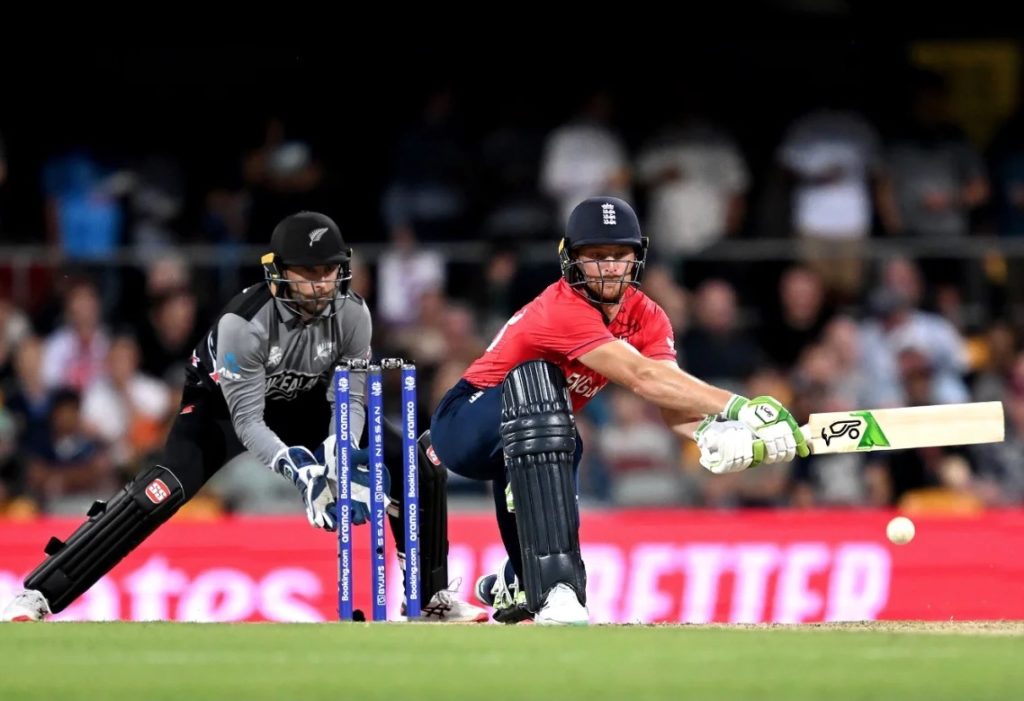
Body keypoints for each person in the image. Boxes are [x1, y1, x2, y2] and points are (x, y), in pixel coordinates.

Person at [2, 211, 485, 623]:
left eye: (328, 271)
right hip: (222, 409)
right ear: (279, 273)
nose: (320, 283)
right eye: (307, 272)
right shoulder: (243, 325)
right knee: (160, 490)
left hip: (307, 402)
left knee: (417, 466)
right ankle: (42, 592)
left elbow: (352, 397)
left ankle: (429, 600)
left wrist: (341, 450)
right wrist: (303, 473)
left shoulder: (354, 314)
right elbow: (250, 421)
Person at [429, 196, 808, 625]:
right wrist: (739, 407)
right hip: (464, 423)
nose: (609, 267)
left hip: (531, 433)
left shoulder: (648, 317)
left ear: (636, 259)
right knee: (544, 394)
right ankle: (559, 590)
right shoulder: (560, 308)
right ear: (571, 260)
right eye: (595, 257)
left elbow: (670, 397)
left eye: (620, 256)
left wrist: (710, 434)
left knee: (564, 438)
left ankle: (517, 580)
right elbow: (641, 377)